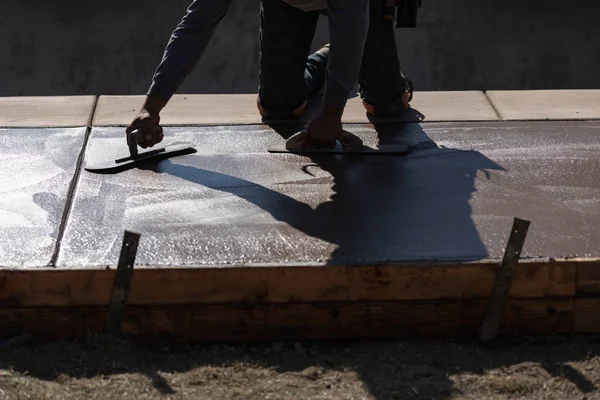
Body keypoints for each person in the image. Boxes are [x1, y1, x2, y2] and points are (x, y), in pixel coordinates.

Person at [126, 0, 412, 153]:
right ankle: (328, 59)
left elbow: (351, 27)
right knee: (278, 107)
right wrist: (151, 107)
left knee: (385, 105)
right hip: (289, 3)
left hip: (360, 5)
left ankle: (381, 77)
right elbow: (196, 25)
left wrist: (332, 112)